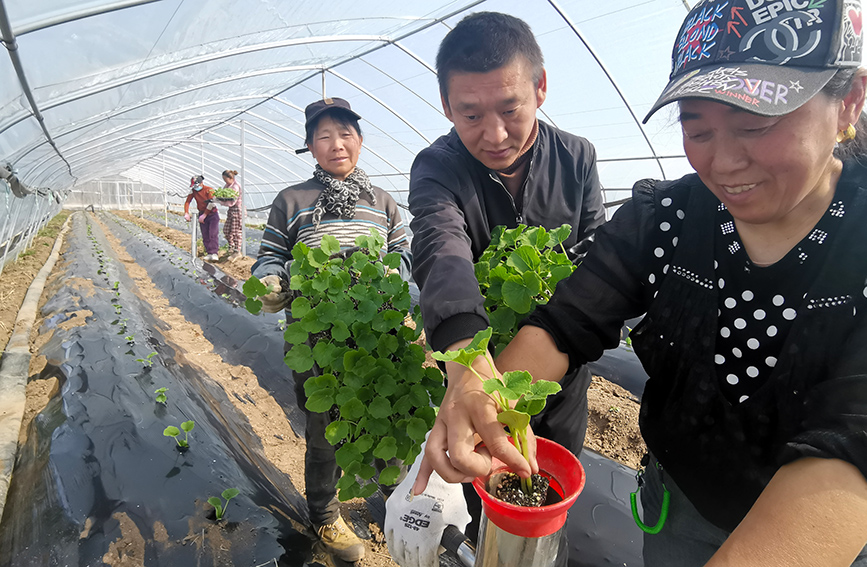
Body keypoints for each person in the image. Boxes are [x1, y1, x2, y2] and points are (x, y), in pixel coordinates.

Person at [413, 0, 867, 565]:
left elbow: (851, 440)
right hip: (678, 506)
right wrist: (481, 391)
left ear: (848, 99)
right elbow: (566, 320)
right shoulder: (668, 218)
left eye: (756, 125)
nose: (724, 161)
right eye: (696, 128)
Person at [385, 11, 605, 565]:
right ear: (446, 107)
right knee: (489, 490)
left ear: (541, 88)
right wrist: (466, 353)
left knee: (548, 488)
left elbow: (597, 253)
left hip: (559, 374)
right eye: (471, 114)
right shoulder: (437, 166)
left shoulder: (575, 156)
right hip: (478, 370)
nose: (495, 133)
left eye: (511, 109)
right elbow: (441, 247)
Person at [250, 97, 411, 563]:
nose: (336, 144)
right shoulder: (292, 201)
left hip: (377, 332)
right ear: (309, 146)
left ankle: (396, 500)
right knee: (324, 428)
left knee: (387, 414)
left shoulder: (382, 202)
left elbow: (402, 254)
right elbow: (271, 255)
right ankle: (324, 514)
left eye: (345, 134)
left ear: (360, 141)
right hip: (316, 336)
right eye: (324, 136)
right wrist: (271, 280)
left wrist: (392, 283)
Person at [183, 174, 220, 261]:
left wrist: (205, 214)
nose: (195, 188)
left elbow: (212, 203)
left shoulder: (209, 190)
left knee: (213, 233)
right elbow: (187, 202)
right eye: (194, 186)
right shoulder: (193, 191)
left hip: (212, 214)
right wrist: (186, 213)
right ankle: (208, 252)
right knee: (205, 234)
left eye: (197, 186)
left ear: (201, 183)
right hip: (202, 213)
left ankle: (214, 253)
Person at [219, 169, 244, 261]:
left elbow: (232, 202)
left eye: (225, 179)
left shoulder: (235, 187)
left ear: (231, 178)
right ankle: (231, 246)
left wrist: (221, 201)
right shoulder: (227, 186)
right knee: (226, 230)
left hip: (237, 211)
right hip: (231, 211)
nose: (224, 181)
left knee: (236, 231)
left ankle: (237, 252)